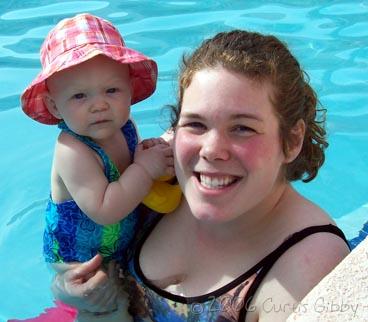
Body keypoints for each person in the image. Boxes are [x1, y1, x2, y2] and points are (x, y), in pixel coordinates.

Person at [49, 30, 351, 321]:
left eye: (242, 128)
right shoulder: (159, 179)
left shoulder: (304, 267)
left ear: (292, 140)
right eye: (196, 124)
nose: (210, 150)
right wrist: (76, 292)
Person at [20, 13, 181, 320]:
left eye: (111, 91)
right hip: (79, 260)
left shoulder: (126, 126)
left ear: (130, 91)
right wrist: (145, 170)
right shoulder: (72, 150)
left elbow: (133, 173)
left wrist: (151, 155)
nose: (99, 105)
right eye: (80, 96)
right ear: (55, 106)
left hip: (119, 240)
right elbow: (106, 208)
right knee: (111, 307)